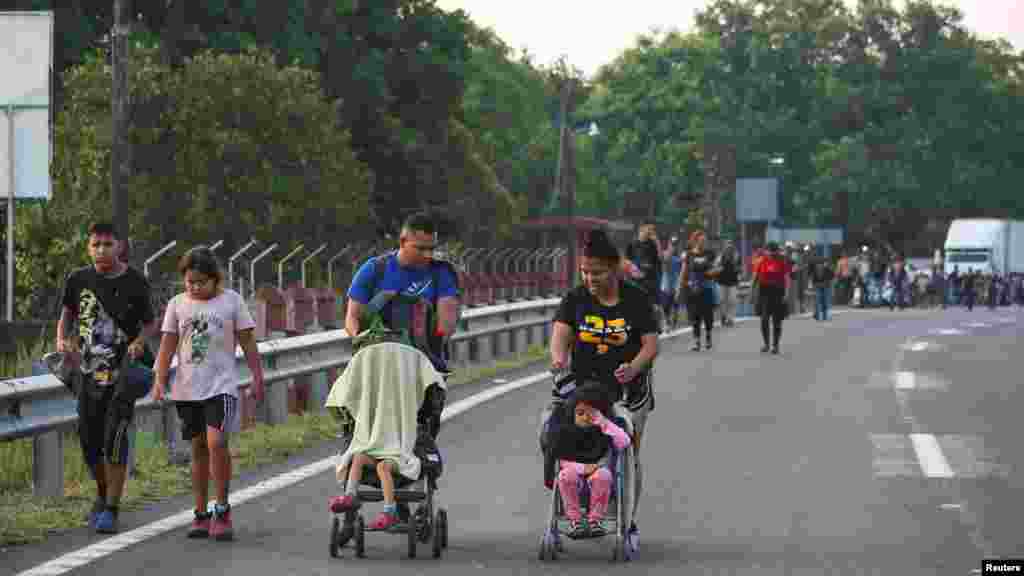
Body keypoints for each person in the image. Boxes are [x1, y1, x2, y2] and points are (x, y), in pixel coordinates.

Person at [549, 229, 658, 548]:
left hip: (629, 391)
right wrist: (558, 363)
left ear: (614, 267)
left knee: (627, 451)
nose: (590, 278)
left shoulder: (636, 299)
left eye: (597, 272)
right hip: (583, 390)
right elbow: (560, 338)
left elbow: (651, 345)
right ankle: (578, 505)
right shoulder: (575, 299)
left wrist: (634, 366)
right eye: (584, 271)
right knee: (572, 441)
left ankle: (629, 520)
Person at [154, 247, 265, 541]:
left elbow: (248, 343)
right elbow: (167, 345)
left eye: (201, 282)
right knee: (198, 448)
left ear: (216, 280)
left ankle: (223, 509)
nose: (194, 287)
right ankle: (201, 513)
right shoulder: (177, 305)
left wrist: (257, 377)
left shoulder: (231, 302)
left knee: (217, 442)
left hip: (221, 387)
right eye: (190, 282)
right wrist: (159, 380)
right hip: (187, 389)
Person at [56, 222, 157, 534]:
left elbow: (149, 324)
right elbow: (67, 317)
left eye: (107, 244)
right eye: (95, 244)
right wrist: (62, 340)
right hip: (88, 374)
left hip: (121, 377)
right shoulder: (77, 279)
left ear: (120, 246)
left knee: (114, 438)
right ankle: (102, 493)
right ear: (89, 247)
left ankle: (111, 507)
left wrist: (140, 342)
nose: (101, 250)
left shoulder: (135, 281)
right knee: (89, 443)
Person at [345, 212, 459, 363]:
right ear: (402, 241)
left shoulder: (442, 272)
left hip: (424, 363)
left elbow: (446, 323)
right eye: (421, 248)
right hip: (378, 360)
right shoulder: (375, 269)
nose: (428, 255)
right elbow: (352, 318)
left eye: (431, 248)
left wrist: (430, 345)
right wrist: (363, 341)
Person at [553, 382, 631, 539]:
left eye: (591, 414)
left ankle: (595, 520)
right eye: (580, 413)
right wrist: (585, 468)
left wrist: (603, 422)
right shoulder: (565, 433)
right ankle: (575, 521)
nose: (585, 417)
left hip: (600, 480)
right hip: (573, 480)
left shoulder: (604, 431)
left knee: (603, 475)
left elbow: (624, 442)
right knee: (565, 474)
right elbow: (562, 460)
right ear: (572, 414)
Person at [679, 230, 718, 351]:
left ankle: (708, 336)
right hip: (693, 288)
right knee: (694, 315)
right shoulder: (689, 254)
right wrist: (680, 287)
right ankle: (696, 341)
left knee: (708, 315)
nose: (703, 243)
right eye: (701, 241)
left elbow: (717, 267)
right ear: (695, 241)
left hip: (707, 287)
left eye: (705, 241)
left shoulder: (710, 253)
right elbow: (684, 271)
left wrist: (712, 272)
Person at [624, 220, 663, 330]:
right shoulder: (632, 244)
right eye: (650, 229)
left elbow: (660, 258)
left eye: (653, 230)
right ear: (642, 228)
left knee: (654, 307)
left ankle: (656, 325)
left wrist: (657, 242)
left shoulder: (653, 244)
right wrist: (632, 272)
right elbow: (627, 262)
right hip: (636, 281)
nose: (651, 232)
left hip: (651, 280)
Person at [754, 242, 792, 354]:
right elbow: (756, 277)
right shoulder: (761, 261)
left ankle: (775, 345)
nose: (770, 253)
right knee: (764, 319)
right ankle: (766, 344)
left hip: (778, 293)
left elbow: (787, 278)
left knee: (777, 320)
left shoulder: (782, 261)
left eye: (772, 251)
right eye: (768, 251)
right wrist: (752, 293)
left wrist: (786, 293)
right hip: (764, 292)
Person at [716, 241, 740, 327]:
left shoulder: (736, 256)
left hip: (732, 282)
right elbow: (716, 267)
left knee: (732, 300)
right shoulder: (720, 257)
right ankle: (723, 315)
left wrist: (738, 279)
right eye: (727, 247)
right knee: (722, 300)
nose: (729, 248)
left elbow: (738, 269)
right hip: (722, 281)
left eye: (731, 247)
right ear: (725, 248)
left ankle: (730, 318)